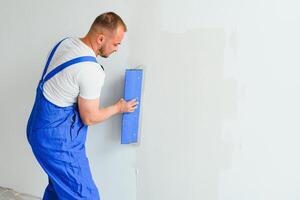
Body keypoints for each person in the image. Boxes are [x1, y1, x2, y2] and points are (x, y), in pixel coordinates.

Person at [26, 12, 138, 200]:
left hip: (37, 128)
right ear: (101, 38)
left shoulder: (66, 43)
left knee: (58, 190)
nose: (117, 49)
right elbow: (89, 117)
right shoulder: (90, 71)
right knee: (85, 196)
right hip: (57, 141)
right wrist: (119, 108)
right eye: (116, 43)